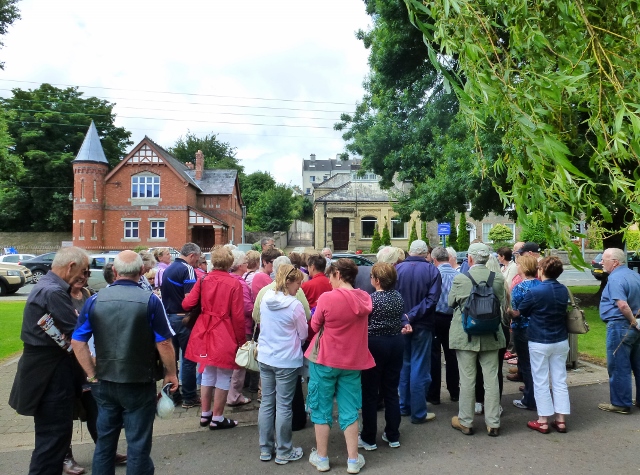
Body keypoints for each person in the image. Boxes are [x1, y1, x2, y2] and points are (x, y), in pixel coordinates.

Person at [71, 250, 178, 475]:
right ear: (141, 271)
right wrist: (171, 373)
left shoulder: (94, 300)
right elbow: (164, 343)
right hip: (138, 380)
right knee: (138, 443)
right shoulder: (150, 301)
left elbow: (78, 341)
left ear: (116, 271)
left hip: (105, 380)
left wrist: (91, 373)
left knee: (105, 442)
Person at [9, 247, 90, 475]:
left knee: (52, 440)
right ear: (71, 266)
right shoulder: (53, 292)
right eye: (83, 270)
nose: (84, 277)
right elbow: (78, 334)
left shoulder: (48, 286)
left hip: (46, 372)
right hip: (49, 376)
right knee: (53, 440)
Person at [305, 259, 374, 474]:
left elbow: (314, 325)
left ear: (337, 273)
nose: (328, 280)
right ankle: (353, 460)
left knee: (321, 408)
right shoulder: (364, 297)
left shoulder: (327, 298)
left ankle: (323, 458)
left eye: (330, 275)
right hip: (353, 361)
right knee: (350, 409)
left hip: (325, 359)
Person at [183, 246, 246, 430]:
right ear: (229, 263)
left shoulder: (203, 279)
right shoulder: (234, 284)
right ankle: (217, 418)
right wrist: (241, 342)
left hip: (204, 329)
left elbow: (187, 303)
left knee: (207, 371)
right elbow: (238, 317)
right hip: (224, 330)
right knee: (224, 374)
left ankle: (205, 414)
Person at [448, 243, 506, 437]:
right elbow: (502, 302)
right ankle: (493, 422)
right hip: (491, 333)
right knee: (491, 378)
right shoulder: (497, 278)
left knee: (467, 379)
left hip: (466, 334)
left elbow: (450, 303)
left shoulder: (460, 278)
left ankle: (466, 421)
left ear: (470, 259)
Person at [257, 264, 308, 464]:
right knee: (284, 405)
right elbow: (303, 334)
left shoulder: (265, 299)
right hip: (286, 359)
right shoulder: (294, 305)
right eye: (298, 283)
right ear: (288, 282)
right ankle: (284, 450)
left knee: (267, 403)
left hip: (266, 356)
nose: (299, 287)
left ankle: (265, 448)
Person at [359, 262, 411, 451]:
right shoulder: (398, 297)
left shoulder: (371, 299)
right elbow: (401, 317)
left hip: (375, 344)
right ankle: (393, 434)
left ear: (377, 280)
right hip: (396, 343)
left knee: (371, 393)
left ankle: (369, 437)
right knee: (391, 390)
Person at [518, 256, 570, 433]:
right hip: (560, 338)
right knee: (560, 379)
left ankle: (543, 420)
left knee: (540, 380)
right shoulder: (563, 290)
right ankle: (561, 419)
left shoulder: (536, 292)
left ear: (542, 270)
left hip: (539, 338)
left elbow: (522, 311)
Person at [395, 239, 442, 424]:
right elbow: (432, 300)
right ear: (425, 254)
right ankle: (418, 412)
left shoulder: (397, 270)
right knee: (419, 367)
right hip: (422, 324)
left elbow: (394, 297)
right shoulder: (432, 270)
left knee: (405, 366)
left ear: (410, 251)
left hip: (402, 324)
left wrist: (405, 318)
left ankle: (404, 406)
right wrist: (411, 317)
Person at [598, 247, 640, 414]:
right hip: (636, 325)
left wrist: (632, 321)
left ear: (614, 262)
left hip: (621, 325)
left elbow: (622, 304)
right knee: (638, 364)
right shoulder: (635, 275)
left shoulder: (615, 278)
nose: (601, 262)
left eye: (604, 259)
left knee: (619, 366)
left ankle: (621, 403)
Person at [160, 242, 201, 408]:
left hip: (168, 318)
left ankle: (173, 394)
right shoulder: (188, 269)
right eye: (197, 259)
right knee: (189, 359)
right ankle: (189, 397)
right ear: (192, 256)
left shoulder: (167, 269)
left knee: (171, 359)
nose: (197, 263)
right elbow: (189, 299)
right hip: (183, 319)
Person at [506, 255, 540, 411]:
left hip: (523, 329)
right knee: (536, 365)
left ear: (525, 268)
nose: (517, 267)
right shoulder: (540, 284)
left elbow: (515, 311)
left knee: (526, 364)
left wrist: (508, 313)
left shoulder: (519, 288)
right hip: (538, 328)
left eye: (519, 264)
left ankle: (529, 398)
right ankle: (537, 394)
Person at [427, 246, 460, 405]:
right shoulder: (458, 275)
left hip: (435, 317)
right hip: (453, 318)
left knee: (434, 356)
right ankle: (454, 392)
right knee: (452, 355)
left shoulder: (432, 274)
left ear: (434, 260)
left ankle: (434, 395)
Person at [226, 250, 254, 406]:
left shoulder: (230, 279)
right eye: (244, 261)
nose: (246, 264)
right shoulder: (239, 282)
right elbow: (246, 308)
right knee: (240, 362)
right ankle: (234, 395)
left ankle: (229, 393)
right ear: (238, 265)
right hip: (242, 326)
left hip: (230, 325)